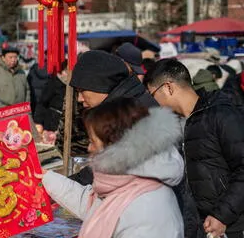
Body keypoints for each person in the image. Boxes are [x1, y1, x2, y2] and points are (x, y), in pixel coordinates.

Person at [43, 98, 184, 238]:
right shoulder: (128, 182)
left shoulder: (147, 211)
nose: (89, 148)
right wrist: (47, 178)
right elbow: (93, 205)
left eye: (93, 142)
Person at [144, 59, 244, 238]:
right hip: (195, 226)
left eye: (153, 95)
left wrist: (222, 216)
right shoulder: (175, 124)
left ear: (168, 87)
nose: (155, 103)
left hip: (228, 227)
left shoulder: (221, 115)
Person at [62, 50, 158, 185]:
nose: (79, 99)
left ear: (99, 85)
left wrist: (63, 187)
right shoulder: (125, 107)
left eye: (81, 91)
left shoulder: (134, 114)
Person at [34, 61, 68, 143]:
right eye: (66, 71)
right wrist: (38, 122)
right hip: (51, 122)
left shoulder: (69, 86)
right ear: (61, 72)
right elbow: (42, 103)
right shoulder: (52, 83)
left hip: (63, 122)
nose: (69, 75)